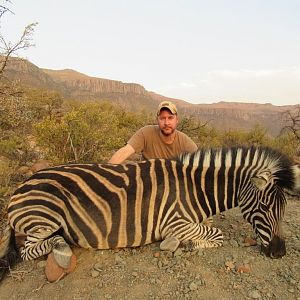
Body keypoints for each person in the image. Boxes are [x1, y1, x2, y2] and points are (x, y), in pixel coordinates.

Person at [108, 101, 198, 164]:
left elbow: (201, 164)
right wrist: (105, 173)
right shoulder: (145, 132)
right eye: (162, 118)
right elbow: (125, 151)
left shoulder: (186, 143)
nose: (166, 122)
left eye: (170, 118)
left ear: (177, 120)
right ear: (157, 120)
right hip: (148, 182)